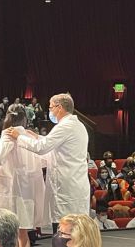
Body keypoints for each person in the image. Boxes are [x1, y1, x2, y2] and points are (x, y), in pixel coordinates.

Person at [5, 93, 89, 231]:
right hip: (75, 183)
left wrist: (19, 137)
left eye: (50, 108)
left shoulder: (65, 126)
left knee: (66, 235)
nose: (49, 111)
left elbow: (42, 148)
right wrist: (37, 137)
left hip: (66, 186)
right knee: (75, 233)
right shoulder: (78, 125)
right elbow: (54, 149)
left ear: (59, 107)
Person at [0, 104, 51, 247]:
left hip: (13, 188)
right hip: (29, 188)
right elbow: (44, 157)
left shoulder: (8, 134)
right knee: (23, 233)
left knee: (12, 232)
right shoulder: (29, 135)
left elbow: (0, 154)